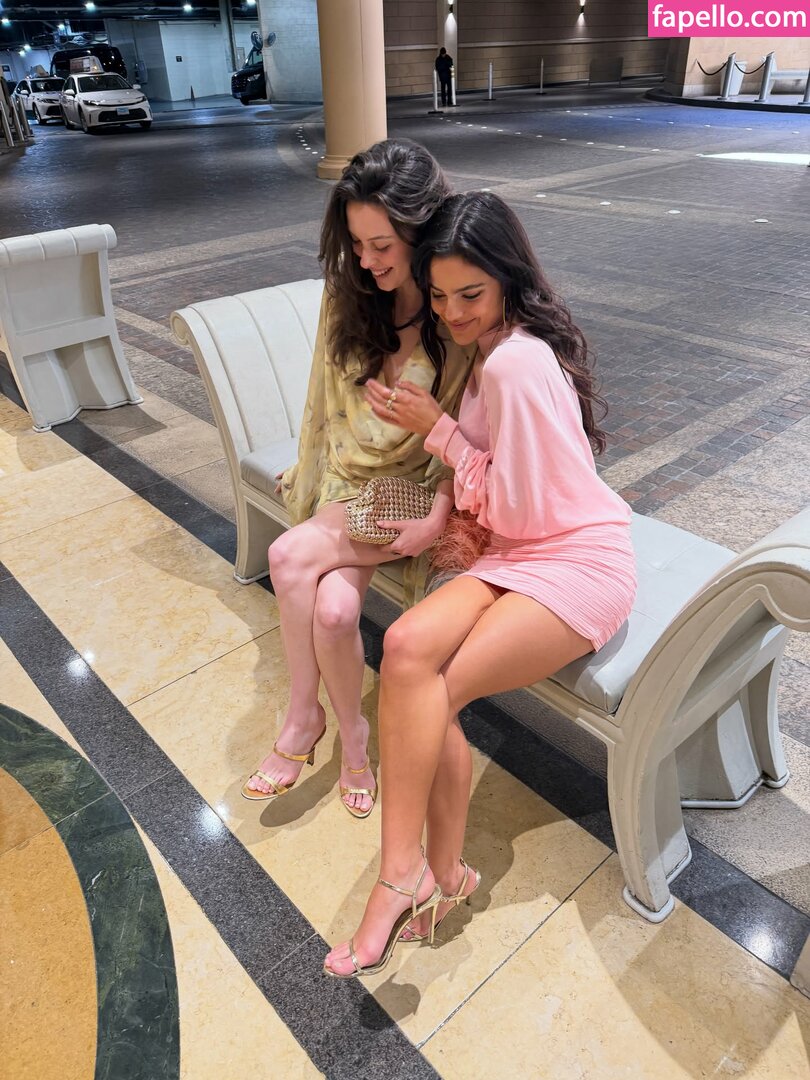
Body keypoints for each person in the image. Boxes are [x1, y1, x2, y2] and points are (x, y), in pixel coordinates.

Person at [324, 191, 637, 976]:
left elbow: (521, 506)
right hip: (517, 552)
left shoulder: (514, 362)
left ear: (507, 279)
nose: (453, 312)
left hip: (577, 560)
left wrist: (438, 433)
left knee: (433, 691)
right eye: (438, 296)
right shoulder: (501, 346)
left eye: (470, 294)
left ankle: (410, 875)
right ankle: (433, 872)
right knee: (405, 647)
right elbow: (510, 496)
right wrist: (444, 438)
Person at [242, 141, 476, 819]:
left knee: (289, 558)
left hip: (417, 491)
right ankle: (352, 742)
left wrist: (438, 513)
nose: (367, 261)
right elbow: (320, 403)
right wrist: (309, 476)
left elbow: (473, 428)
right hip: (350, 482)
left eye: (382, 245)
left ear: (421, 231)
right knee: (336, 611)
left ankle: (302, 717)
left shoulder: (456, 311)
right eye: (356, 243)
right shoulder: (347, 296)